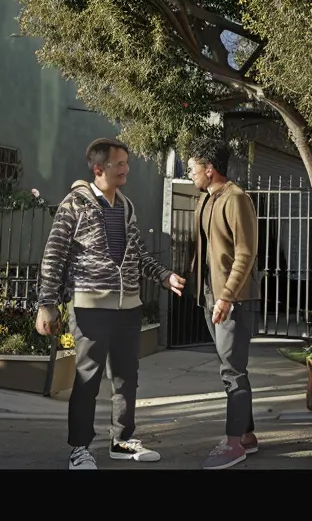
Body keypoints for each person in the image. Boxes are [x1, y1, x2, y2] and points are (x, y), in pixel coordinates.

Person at [37, 138, 186, 470]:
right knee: (88, 379)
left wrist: (163, 276)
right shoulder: (74, 204)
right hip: (89, 307)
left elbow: (137, 254)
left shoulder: (126, 206)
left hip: (128, 307)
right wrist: (46, 304)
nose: (126, 170)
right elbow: (54, 255)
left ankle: (122, 441)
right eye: (119, 164)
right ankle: (79, 449)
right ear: (98, 169)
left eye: (126, 163)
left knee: (126, 378)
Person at [185, 143, 262, 470]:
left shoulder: (235, 199)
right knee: (231, 368)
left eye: (192, 168)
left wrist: (227, 296)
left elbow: (246, 252)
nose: (189, 174)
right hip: (209, 293)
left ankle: (234, 443)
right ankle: (246, 436)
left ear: (209, 169)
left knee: (232, 370)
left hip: (234, 299)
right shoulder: (206, 198)